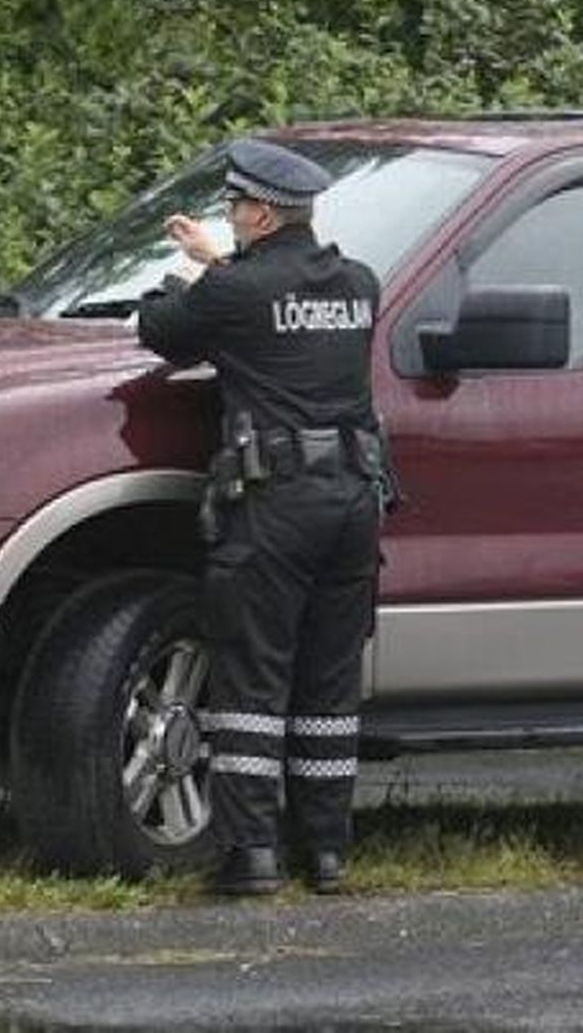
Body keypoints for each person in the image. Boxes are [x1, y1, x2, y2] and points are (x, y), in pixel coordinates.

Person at [137, 137, 388, 896]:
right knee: (327, 686)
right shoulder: (360, 284)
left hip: (275, 504)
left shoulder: (234, 291)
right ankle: (328, 852)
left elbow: (163, 330)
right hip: (353, 501)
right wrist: (223, 259)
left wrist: (188, 270)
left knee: (252, 682)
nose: (230, 215)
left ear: (262, 211)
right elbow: (280, 307)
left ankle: (251, 855)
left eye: (235, 206)